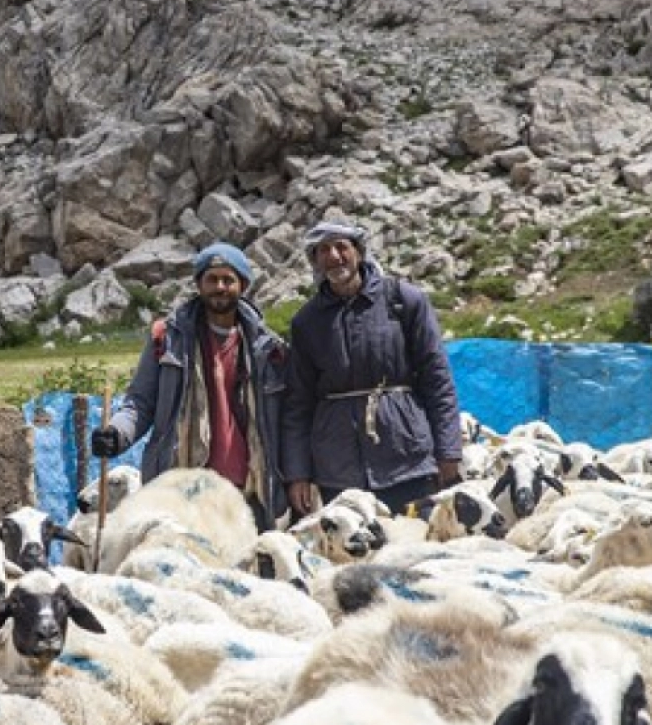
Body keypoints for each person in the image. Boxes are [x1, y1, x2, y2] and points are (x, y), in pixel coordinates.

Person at [90, 242, 289, 529]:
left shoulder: (268, 348)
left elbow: (287, 418)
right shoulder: (167, 338)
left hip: (249, 488)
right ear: (198, 284)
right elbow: (141, 402)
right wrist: (117, 433)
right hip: (182, 487)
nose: (220, 287)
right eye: (212, 279)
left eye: (228, 280)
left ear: (242, 285)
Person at [281, 221, 463, 517]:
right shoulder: (307, 321)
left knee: (415, 546)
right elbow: (298, 402)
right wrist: (297, 473)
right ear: (315, 261)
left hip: (407, 458)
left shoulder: (403, 300)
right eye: (323, 250)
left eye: (342, 247)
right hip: (338, 468)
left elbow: (437, 380)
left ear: (360, 252)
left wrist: (448, 452)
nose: (334, 256)